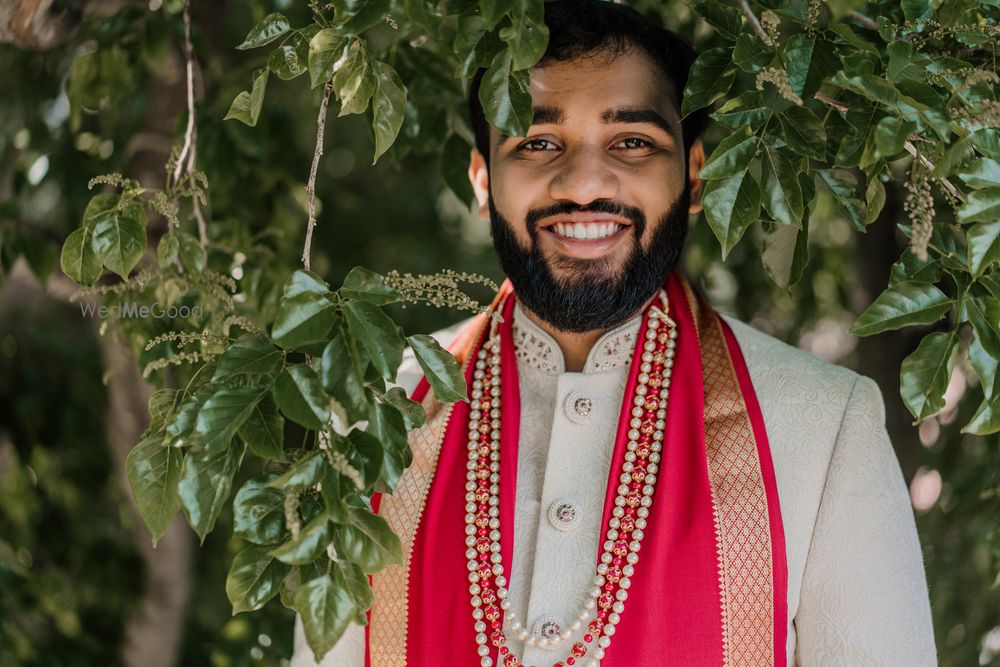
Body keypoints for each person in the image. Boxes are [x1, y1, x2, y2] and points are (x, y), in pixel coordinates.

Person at [292, 1, 936, 665]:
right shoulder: (375, 412)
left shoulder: (820, 426)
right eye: (538, 143)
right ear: (483, 178)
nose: (584, 183)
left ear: (693, 176)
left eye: (632, 142)